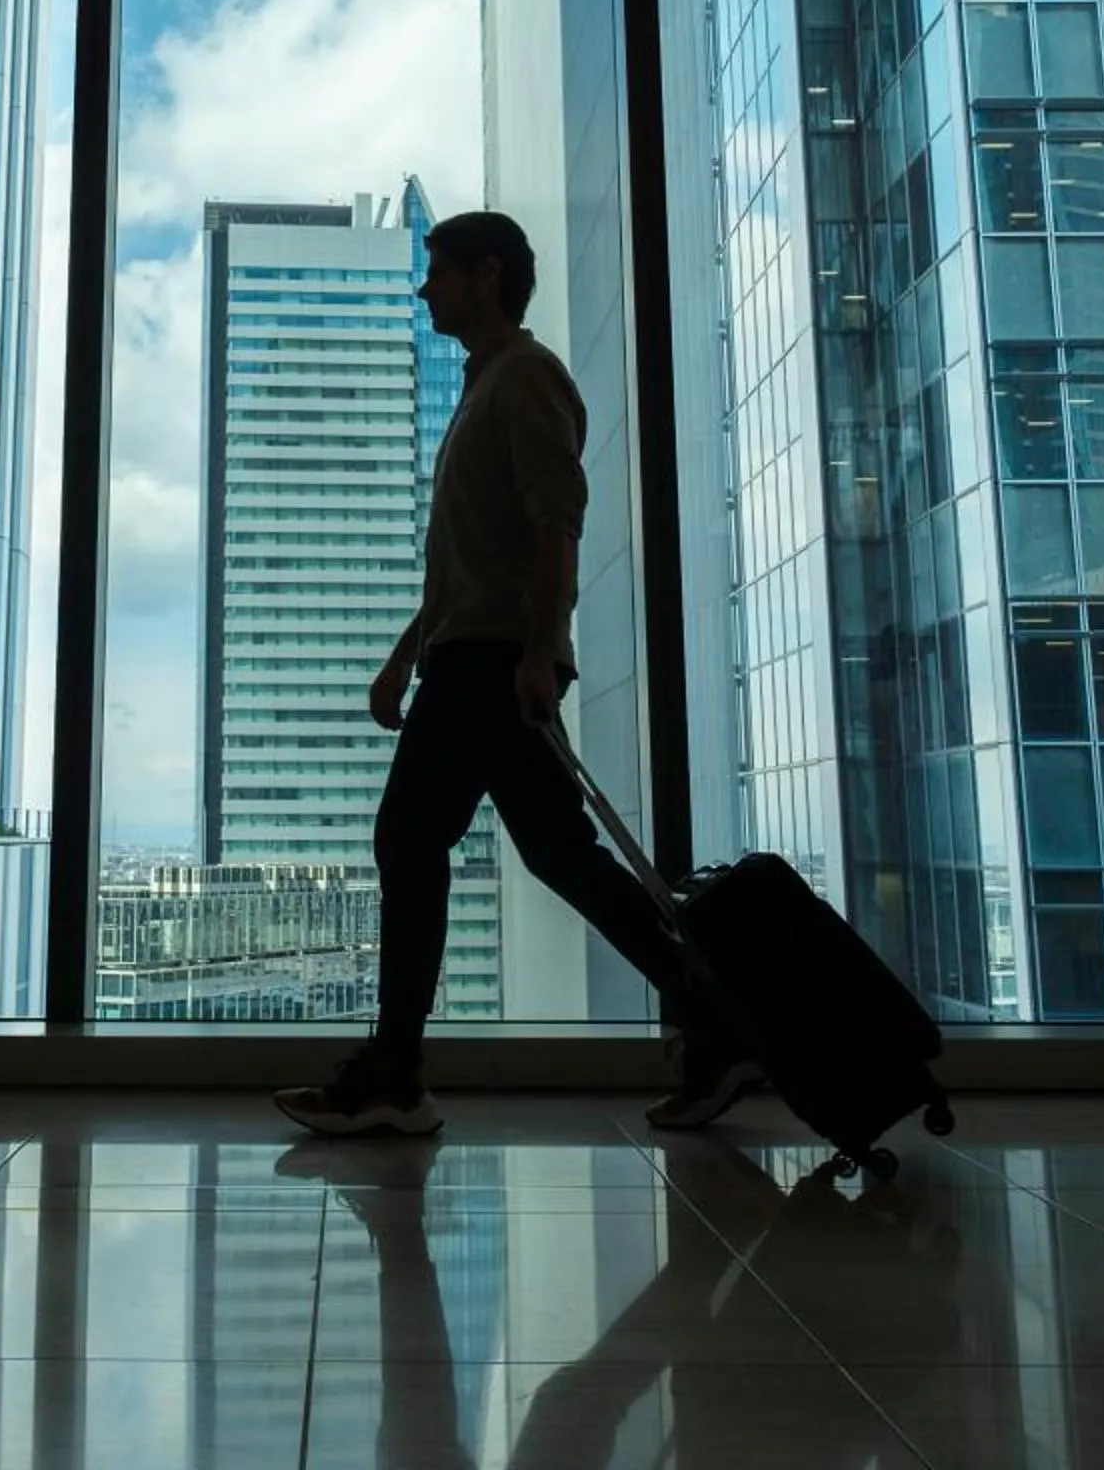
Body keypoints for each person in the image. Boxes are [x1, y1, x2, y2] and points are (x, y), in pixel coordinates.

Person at [273, 210, 762, 1138]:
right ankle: (715, 1017)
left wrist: (539, 651)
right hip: (474, 652)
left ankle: (396, 1075)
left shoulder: (529, 379)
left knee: (411, 841)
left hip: (496, 661)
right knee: (557, 853)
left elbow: (556, 524)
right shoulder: (483, 386)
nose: (425, 291)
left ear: (486, 275)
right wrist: (404, 652)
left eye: (439, 274)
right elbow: (476, 556)